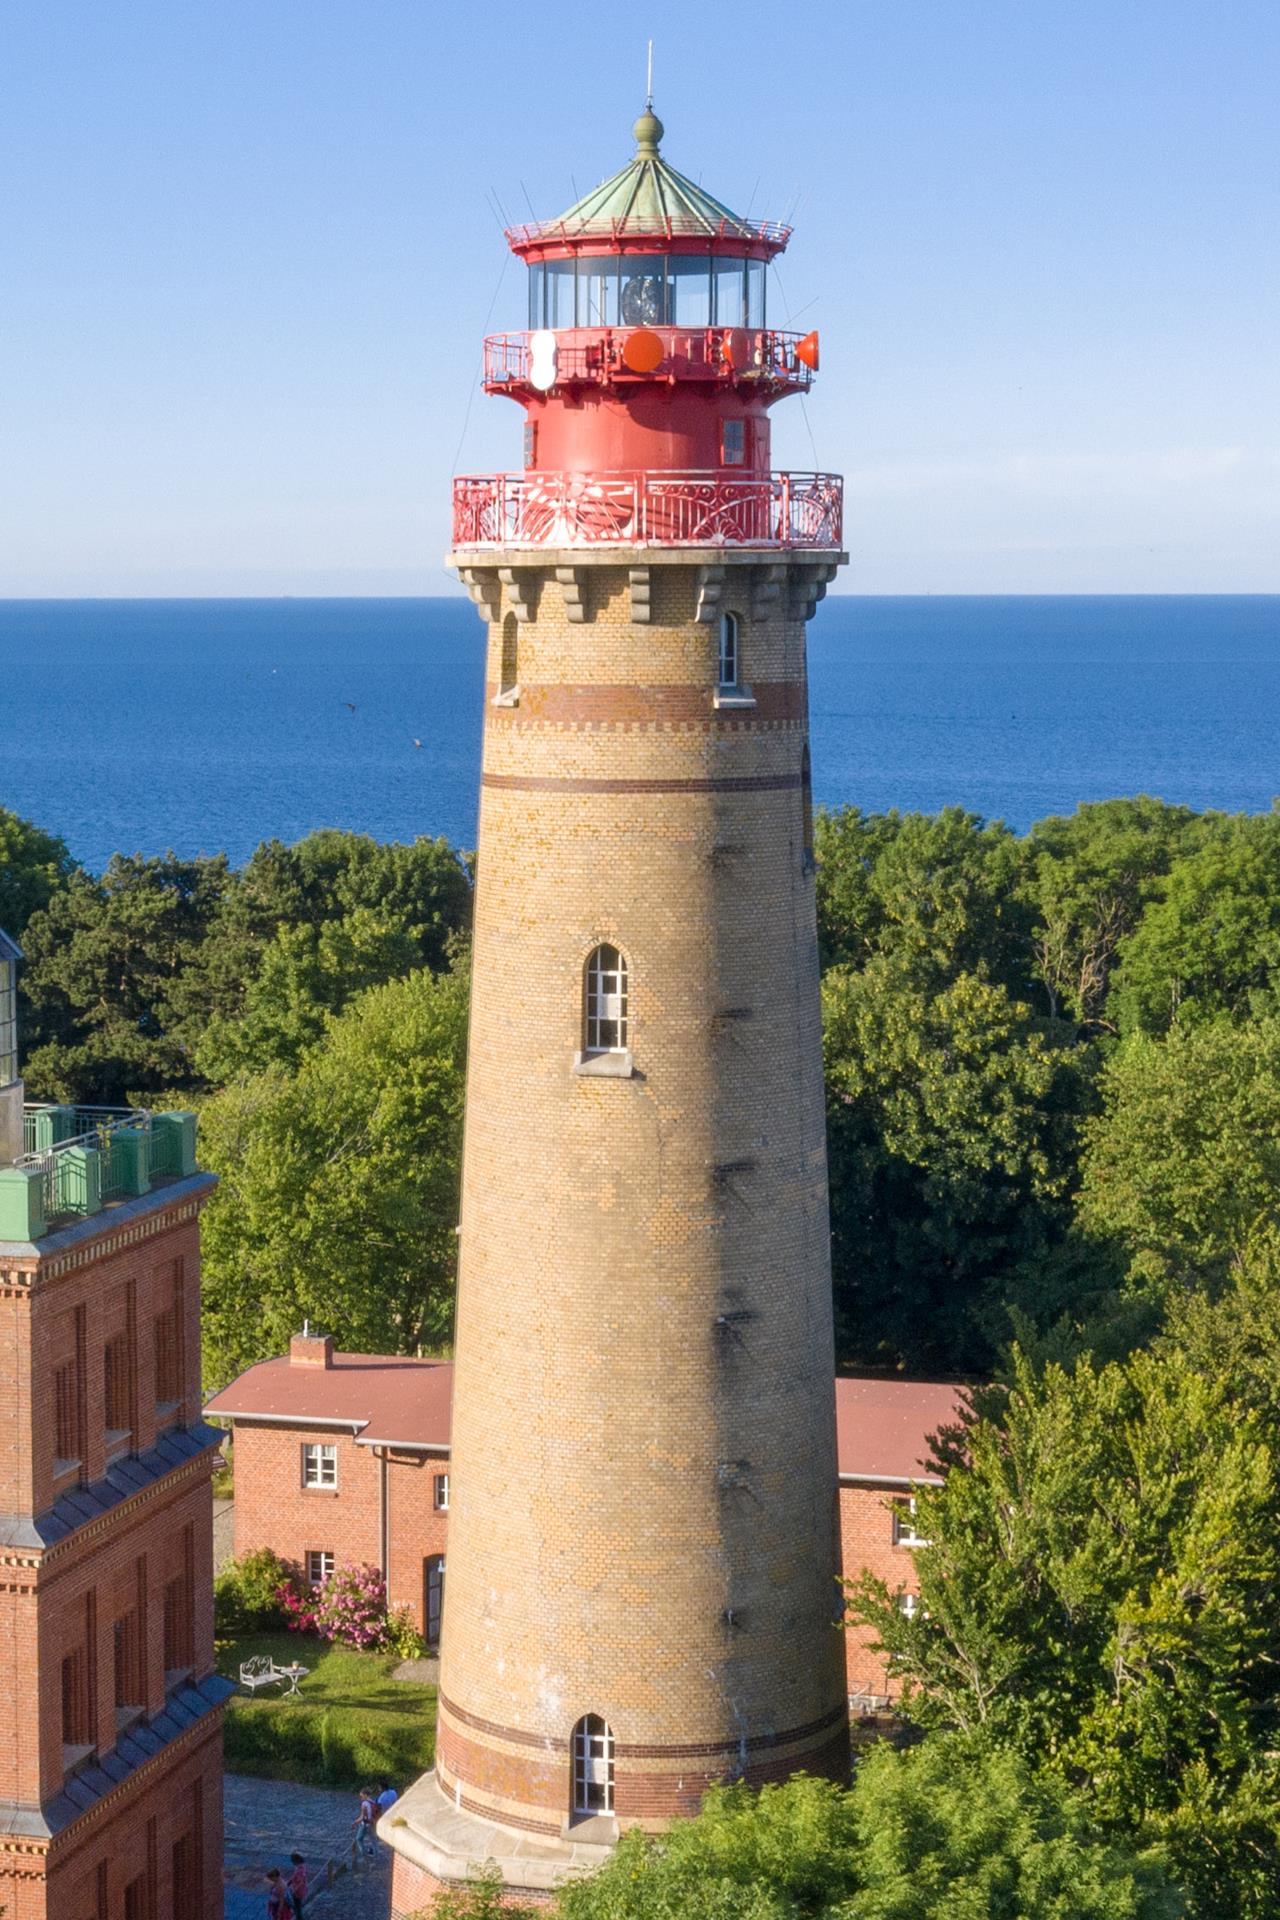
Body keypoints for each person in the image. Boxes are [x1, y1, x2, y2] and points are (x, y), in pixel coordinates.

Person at [355, 1787, 376, 1857]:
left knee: (358, 1839)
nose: (360, 1798)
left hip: (365, 1824)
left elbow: (361, 1817)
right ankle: (375, 1853)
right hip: (371, 1823)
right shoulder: (372, 1802)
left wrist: (355, 1822)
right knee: (372, 1839)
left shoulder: (364, 1804)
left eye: (361, 1796)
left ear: (366, 1795)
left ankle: (363, 1853)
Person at [286, 1852, 308, 1918]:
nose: (292, 1863)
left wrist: (294, 1890)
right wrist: (289, 1882)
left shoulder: (300, 1870)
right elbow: (294, 1876)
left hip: (298, 1892)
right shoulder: (300, 1867)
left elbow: (300, 1882)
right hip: (298, 1890)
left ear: (296, 1861)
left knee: (297, 1908)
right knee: (297, 1907)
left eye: (293, 1861)